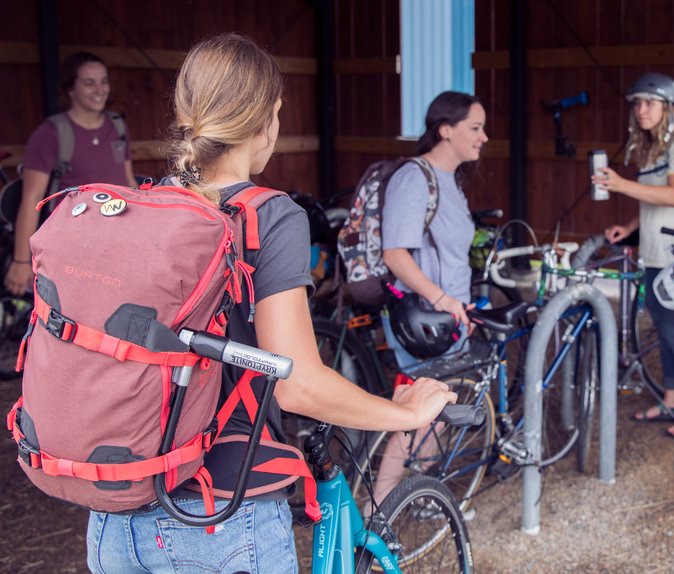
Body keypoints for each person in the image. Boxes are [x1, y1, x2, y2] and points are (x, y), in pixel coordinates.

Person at [84, 33, 456, 574]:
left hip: (115, 515)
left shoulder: (142, 204)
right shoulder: (268, 215)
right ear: (264, 122)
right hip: (220, 513)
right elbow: (297, 383)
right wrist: (403, 413)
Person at [593, 72, 674, 437]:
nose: (641, 110)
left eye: (650, 103)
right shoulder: (653, 150)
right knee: (664, 329)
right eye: (637, 103)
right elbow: (653, 198)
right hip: (655, 256)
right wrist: (629, 228)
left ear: (668, 108)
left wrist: (621, 184)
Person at [4, 51, 135, 297]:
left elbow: (128, 183)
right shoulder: (51, 133)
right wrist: (21, 261)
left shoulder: (117, 126)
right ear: (71, 89)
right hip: (73, 247)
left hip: (118, 239)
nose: (100, 89)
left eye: (103, 81)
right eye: (89, 83)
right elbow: (31, 200)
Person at [380, 90, 488, 368]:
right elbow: (393, 254)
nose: (484, 137)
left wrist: (460, 307)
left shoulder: (451, 180)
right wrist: (444, 301)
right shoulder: (413, 178)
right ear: (446, 130)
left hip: (450, 317)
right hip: (423, 321)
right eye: (475, 128)